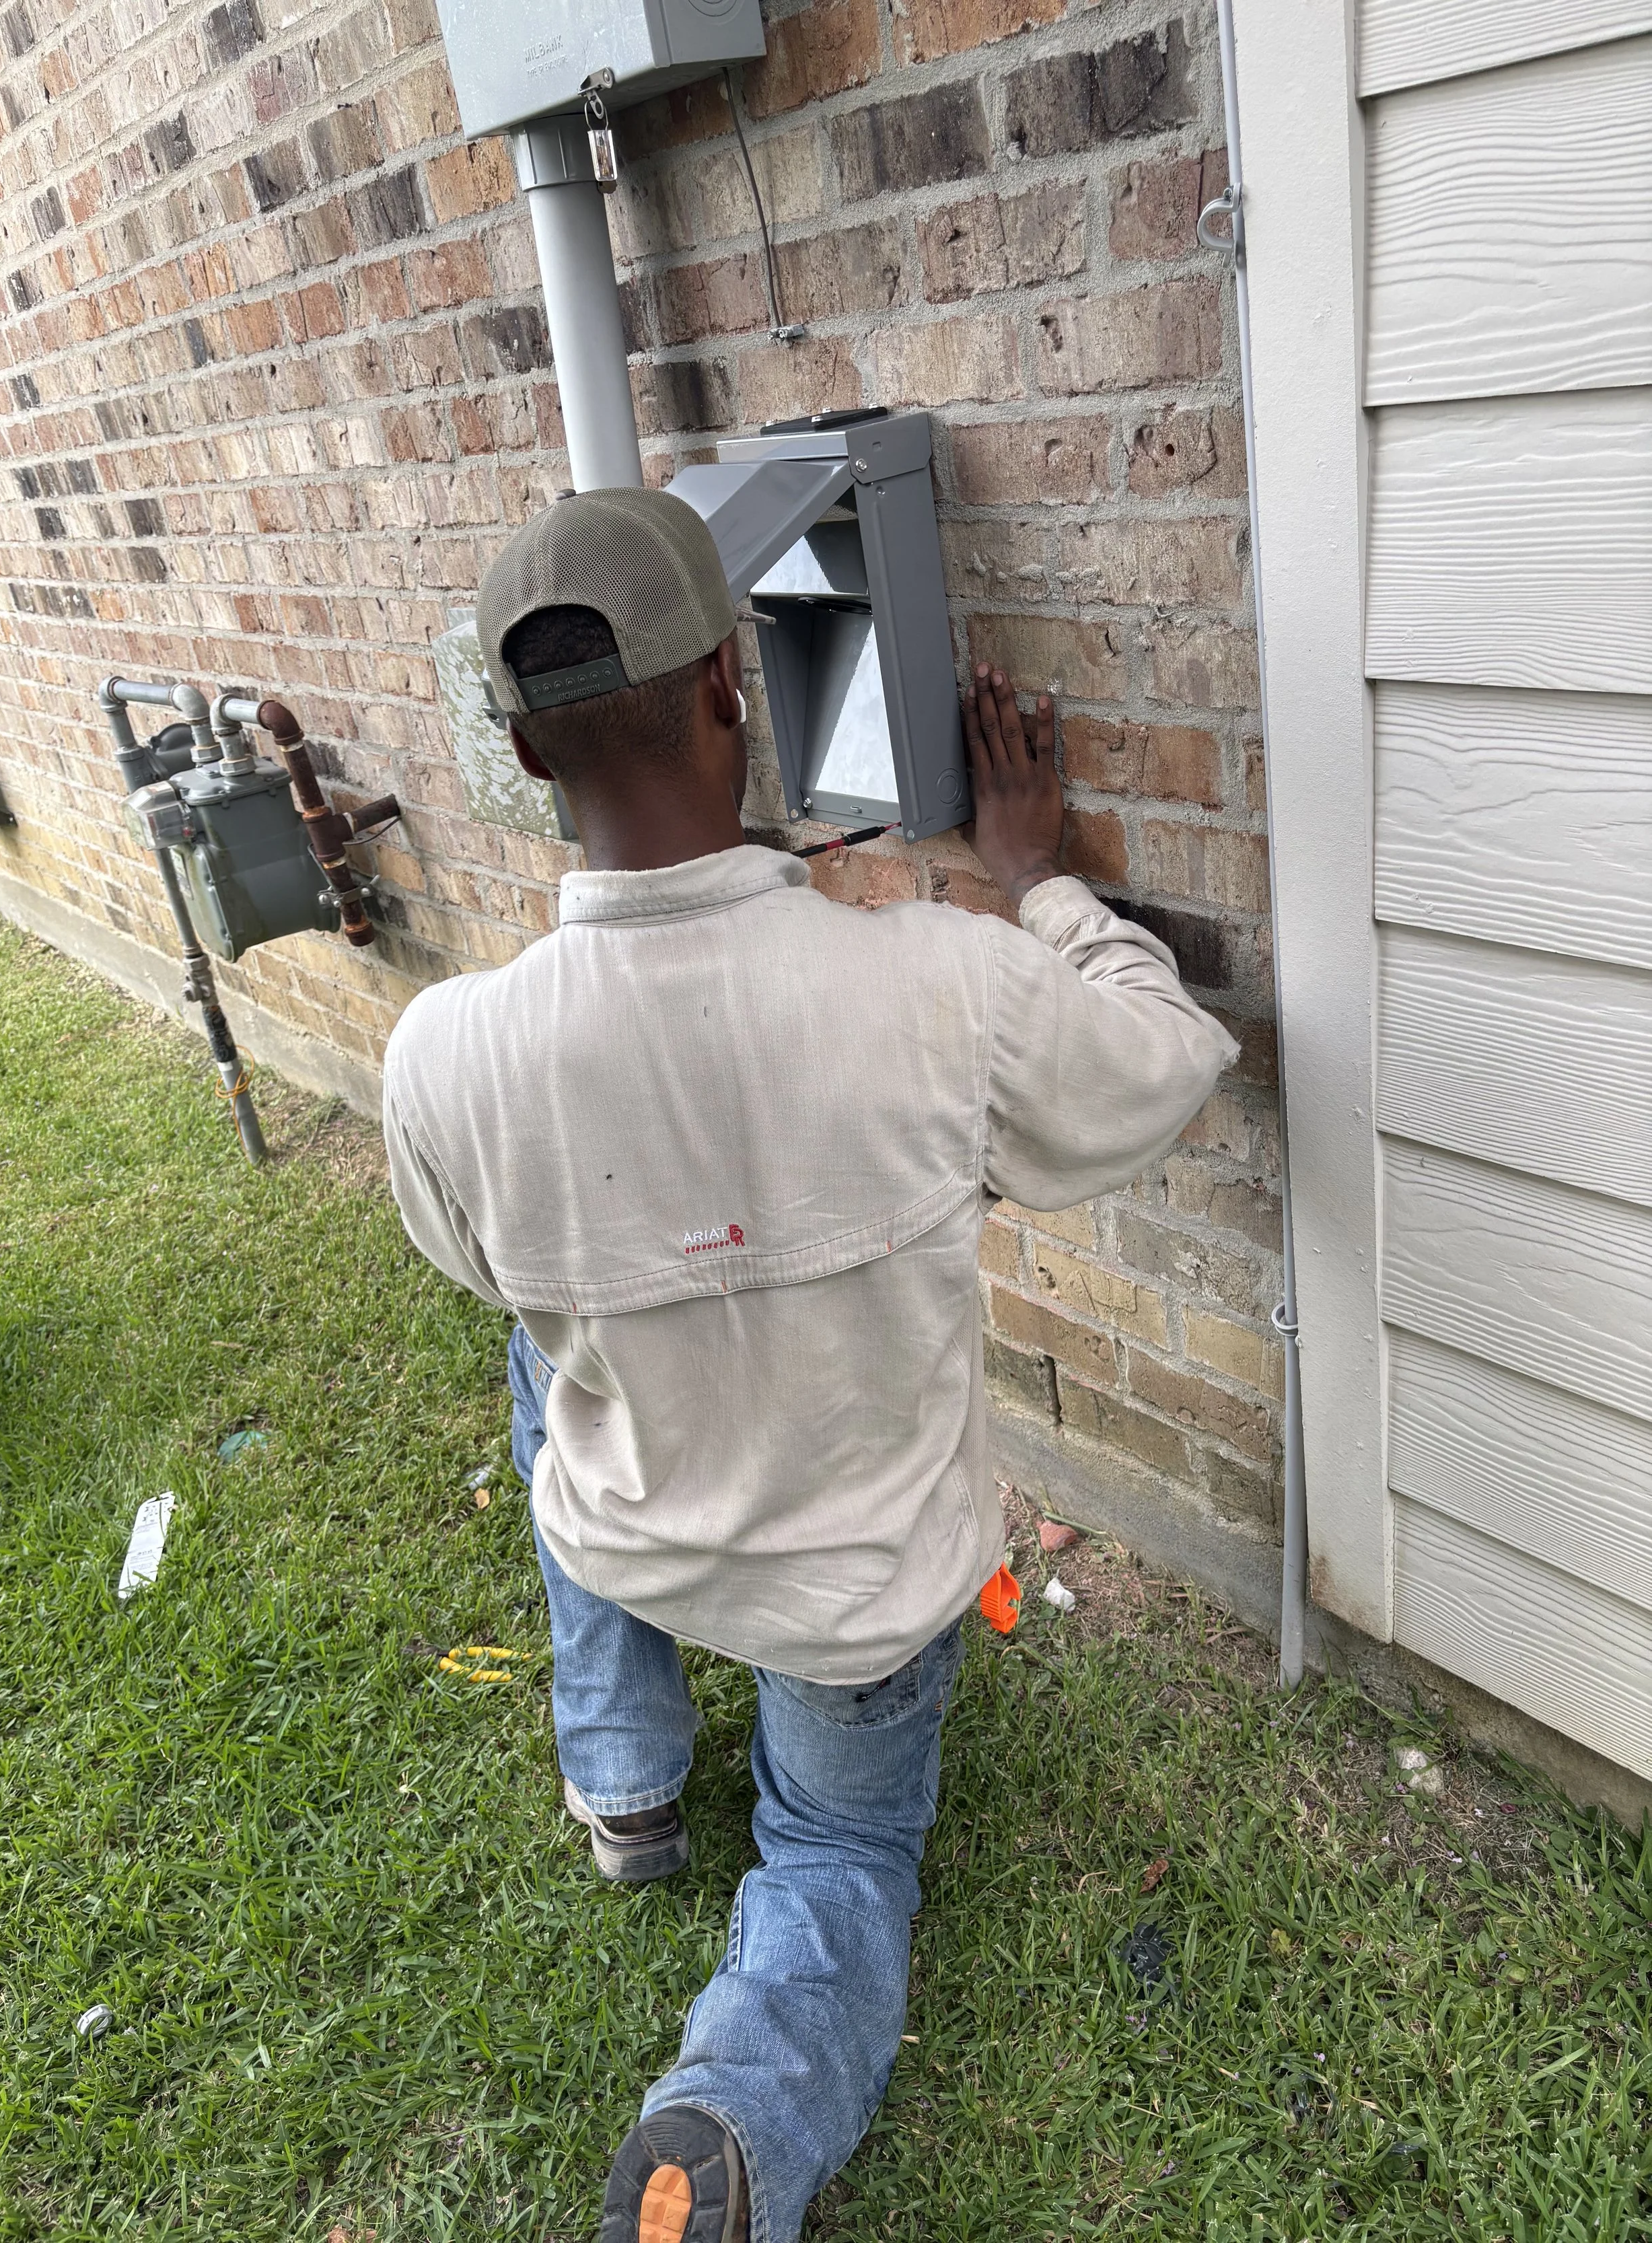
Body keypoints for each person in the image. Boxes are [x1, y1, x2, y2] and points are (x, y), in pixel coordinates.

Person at [382, 487, 1236, 2243]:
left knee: (552, 1369)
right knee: (838, 1862)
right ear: (727, 687)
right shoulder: (937, 987)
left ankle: (622, 1778)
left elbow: (482, 1265)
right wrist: (1038, 877)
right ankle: (727, 2127)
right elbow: (1161, 1062)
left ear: (531, 756)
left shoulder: (447, 1054)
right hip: (852, 1602)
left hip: (635, 1530)